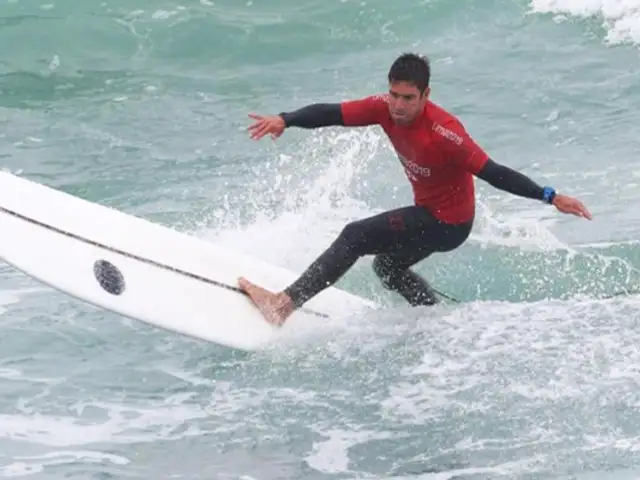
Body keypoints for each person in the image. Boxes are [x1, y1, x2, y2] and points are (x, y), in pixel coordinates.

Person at [238, 52, 592, 326]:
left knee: (354, 235)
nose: (398, 106)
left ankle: (282, 306)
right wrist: (286, 119)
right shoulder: (383, 109)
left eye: (408, 98)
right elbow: (333, 113)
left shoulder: (446, 132)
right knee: (387, 269)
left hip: (448, 223)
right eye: (394, 95)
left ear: (426, 95)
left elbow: (494, 172)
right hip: (433, 215)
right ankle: (435, 318)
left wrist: (550, 196)